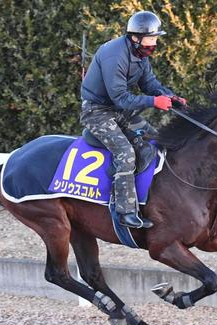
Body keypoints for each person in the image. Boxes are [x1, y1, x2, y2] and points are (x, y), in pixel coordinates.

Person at [80, 10, 187, 229]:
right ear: (135, 37)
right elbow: (120, 98)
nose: (154, 43)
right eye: (151, 38)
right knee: (125, 153)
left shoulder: (140, 55)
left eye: (156, 38)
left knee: (155, 139)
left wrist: (170, 96)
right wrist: (153, 102)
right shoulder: (115, 55)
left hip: (119, 110)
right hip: (97, 111)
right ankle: (124, 212)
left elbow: (150, 84)